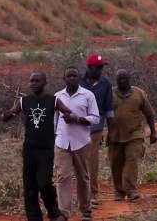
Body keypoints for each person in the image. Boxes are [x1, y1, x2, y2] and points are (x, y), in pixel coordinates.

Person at [2, 71, 70, 221]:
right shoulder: (24, 101)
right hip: (29, 149)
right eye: (31, 81)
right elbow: (10, 114)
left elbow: (67, 111)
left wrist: (69, 115)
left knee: (45, 183)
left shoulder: (53, 100)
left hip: (46, 149)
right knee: (30, 186)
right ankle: (34, 217)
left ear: (45, 82)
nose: (33, 83)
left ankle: (54, 212)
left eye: (37, 81)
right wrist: (7, 115)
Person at [54, 67, 100, 221]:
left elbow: (95, 118)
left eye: (74, 75)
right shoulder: (57, 96)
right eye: (68, 76)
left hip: (81, 142)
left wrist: (78, 119)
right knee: (62, 177)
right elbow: (54, 122)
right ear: (64, 78)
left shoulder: (88, 95)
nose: (71, 78)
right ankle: (63, 212)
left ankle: (86, 211)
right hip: (62, 143)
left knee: (83, 177)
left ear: (79, 78)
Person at [107, 69, 157, 201]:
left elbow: (149, 114)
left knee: (132, 161)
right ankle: (119, 191)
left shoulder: (139, 93)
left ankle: (131, 190)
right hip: (114, 135)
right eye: (119, 79)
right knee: (115, 164)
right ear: (116, 80)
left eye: (124, 78)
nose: (122, 81)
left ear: (129, 78)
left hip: (134, 134)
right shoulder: (110, 94)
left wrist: (153, 132)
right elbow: (101, 114)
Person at [79, 54, 114, 205]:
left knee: (92, 161)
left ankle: (93, 194)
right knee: (79, 161)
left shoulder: (105, 83)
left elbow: (108, 109)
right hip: (78, 127)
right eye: (98, 67)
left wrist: (111, 132)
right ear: (90, 68)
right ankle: (82, 193)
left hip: (96, 128)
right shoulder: (77, 80)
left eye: (102, 67)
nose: (101, 70)